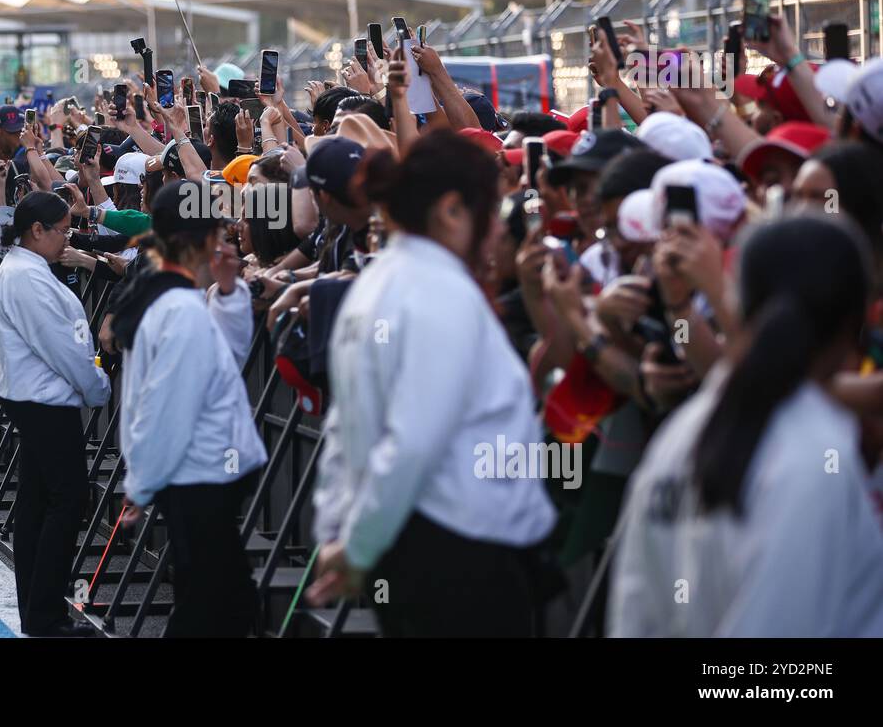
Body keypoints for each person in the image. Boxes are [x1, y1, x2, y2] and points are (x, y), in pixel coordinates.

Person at [307, 129, 557, 636]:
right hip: (460, 553)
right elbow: (411, 442)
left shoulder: (378, 284)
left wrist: (340, 533)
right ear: (450, 212)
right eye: (491, 211)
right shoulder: (439, 291)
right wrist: (354, 546)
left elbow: (346, 428)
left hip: (421, 546)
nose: (496, 231)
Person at [609, 215, 883, 636]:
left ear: (738, 305)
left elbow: (634, 608)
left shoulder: (681, 433)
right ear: (853, 321)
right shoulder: (812, 454)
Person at [113, 178, 268, 637]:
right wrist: (140, 484)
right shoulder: (178, 308)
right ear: (204, 240)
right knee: (212, 608)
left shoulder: (169, 298)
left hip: (201, 477)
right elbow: (166, 408)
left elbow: (222, 360)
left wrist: (227, 293)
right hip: (200, 479)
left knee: (221, 603)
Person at [0, 191, 111, 637]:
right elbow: (66, 349)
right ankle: (45, 614)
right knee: (67, 500)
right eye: (62, 231)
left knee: (39, 501)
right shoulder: (29, 277)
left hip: (36, 398)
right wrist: (98, 388)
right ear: (36, 231)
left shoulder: (26, 270)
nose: (67, 239)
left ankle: (39, 610)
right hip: (44, 401)